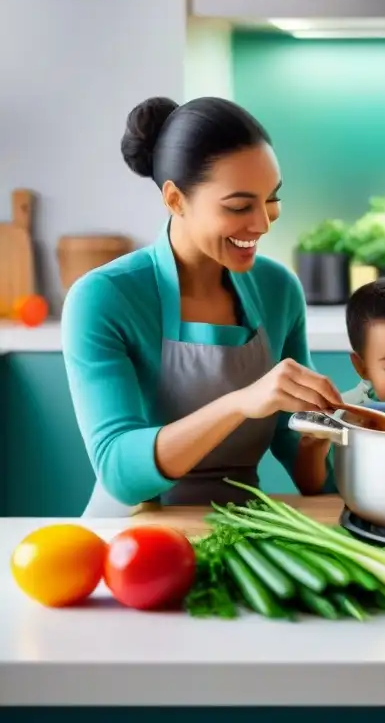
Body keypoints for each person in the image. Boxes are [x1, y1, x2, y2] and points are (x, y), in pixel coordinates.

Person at [63, 96, 342, 517]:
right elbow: (119, 471)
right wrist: (239, 402)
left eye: (271, 199)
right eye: (239, 206)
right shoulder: (103, 298)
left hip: (245, 531)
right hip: (130, 540)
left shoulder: (277, 288)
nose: (263, 224)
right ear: (175, 199)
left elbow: (307, 474)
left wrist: (321, 436)